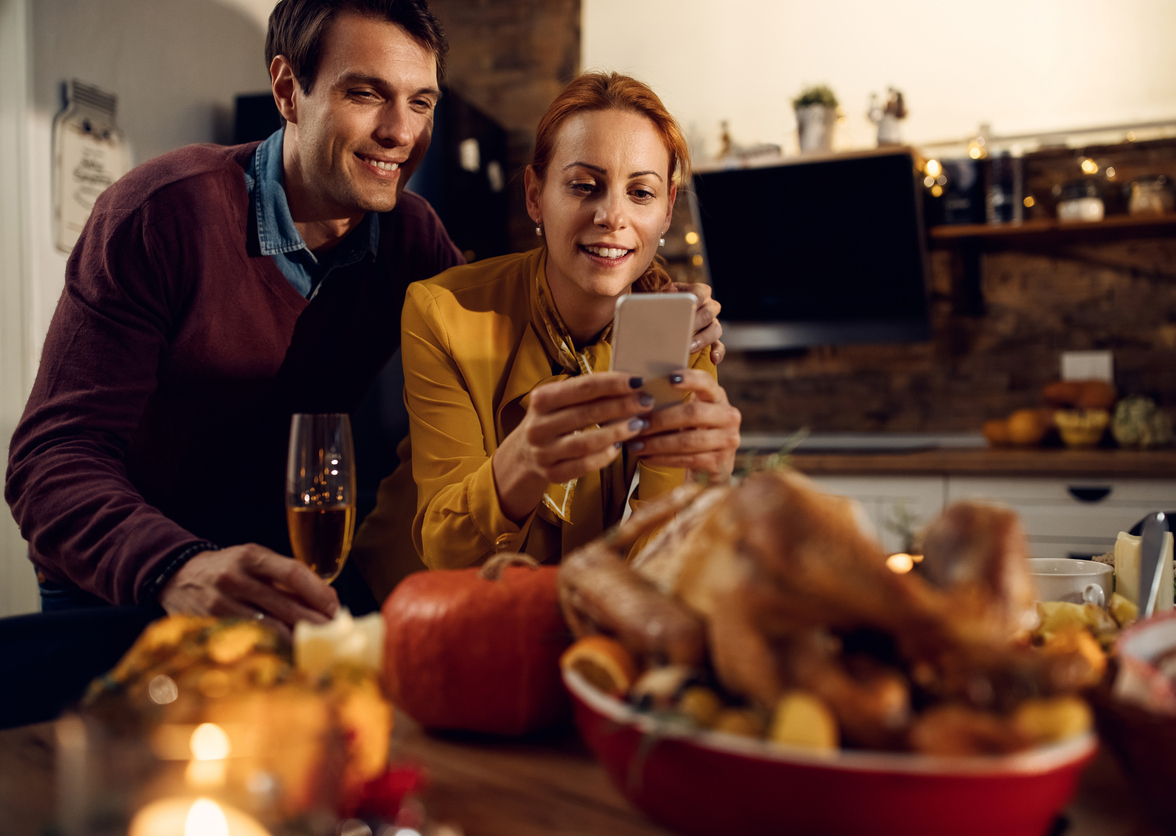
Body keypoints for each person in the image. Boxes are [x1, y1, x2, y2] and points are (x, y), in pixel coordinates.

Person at [4, 1, 724, 632]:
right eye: (365, 94)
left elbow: (531, 290)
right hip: (126, 584)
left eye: (420, 102)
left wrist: (656, 298)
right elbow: (48, 465)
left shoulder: (412, 239)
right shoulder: (161, 213)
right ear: (289, 89)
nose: (399, 131)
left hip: (287, 578)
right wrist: (178, 569)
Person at [394, 72, 740, 574]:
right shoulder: (441, 311)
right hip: (428, 609)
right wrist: (523, 464)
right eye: (584, 186)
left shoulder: (682, 333)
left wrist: (707, 489)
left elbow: (662, 560)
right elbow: (447, 551)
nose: (612, 216)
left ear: (667, 211)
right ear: (535, 195)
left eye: (640, 193)